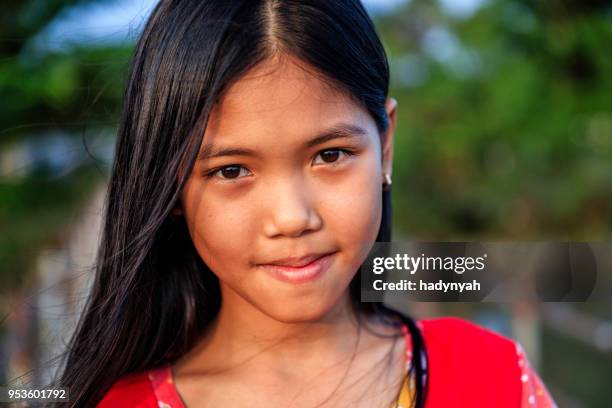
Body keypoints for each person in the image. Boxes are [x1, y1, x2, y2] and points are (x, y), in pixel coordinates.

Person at [56, 1, 558, 407]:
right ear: (171, 186)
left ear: (384, 147)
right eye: (231, 170)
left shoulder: (487, 377)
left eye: (330, 155)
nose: (293, 218)